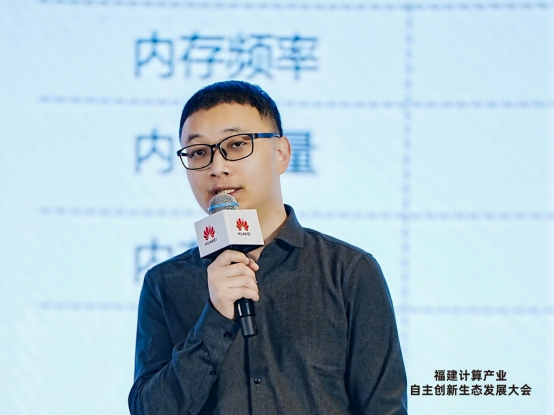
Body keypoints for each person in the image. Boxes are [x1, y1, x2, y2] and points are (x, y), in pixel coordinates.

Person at [128, 80, 408, 414]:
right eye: (199, 152)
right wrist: (214, 319)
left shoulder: (347, 271)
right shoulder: (165, 283)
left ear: (281, 153)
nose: (217, 167)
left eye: (236, 145)